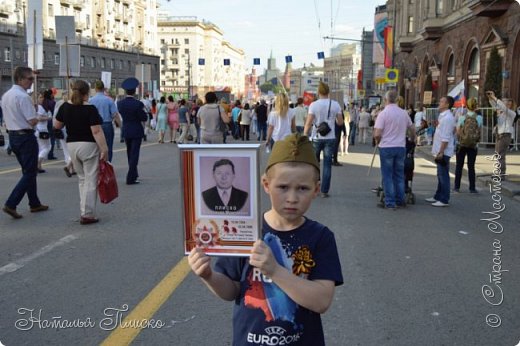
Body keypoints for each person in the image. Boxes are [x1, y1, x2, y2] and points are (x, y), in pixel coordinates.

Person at [188, 133, 343, 346]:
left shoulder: (320, 237)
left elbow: (322, 301)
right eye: (283, 187)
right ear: (266, 184)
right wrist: (208, 276)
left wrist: (275, 271)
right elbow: (232, 290)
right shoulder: (245, 230)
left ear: (316, 189)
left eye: (303, 189)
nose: (292, 198)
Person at [54, 80, 108, 225]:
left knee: (82, 179)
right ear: (87, 93)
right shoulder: (90, 109)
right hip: (88, 145)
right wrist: (104, 149)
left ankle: (84, 209)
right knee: (91, 179)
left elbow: (57, 125)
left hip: (72, 145)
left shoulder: (65, 106)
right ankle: (87, 214)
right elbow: (96, 131)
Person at [1, 67, 48, 219]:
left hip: (14, 136)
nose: (32, 81)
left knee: (28, 170)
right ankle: (11, 203)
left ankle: (34, 203)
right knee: (30, 172)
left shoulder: (6, 95)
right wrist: (40, 116)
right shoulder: (23, 96)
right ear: (20, 79)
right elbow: (32, 120)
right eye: (29, 79)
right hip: (25, 136)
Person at [374, 90, 416, 209]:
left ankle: (390, 202)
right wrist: (413, 138)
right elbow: (412, 128)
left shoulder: (383, 114)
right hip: (400, 147)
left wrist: (378, 140)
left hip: (386, 147)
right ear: (397, 99)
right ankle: (400, 199)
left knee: (387, 175)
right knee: (399, 174)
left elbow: (377, 133)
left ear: (386, 100)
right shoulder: (404, 113)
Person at [303, 81, 344, 198]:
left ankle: (315, 187)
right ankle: (324, 191)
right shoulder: (335, 104)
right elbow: (340, 122)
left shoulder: (313, 105)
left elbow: (309, 122)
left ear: (319, 92)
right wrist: (331, 121)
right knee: (327, 164)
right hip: (330, 137)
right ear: (328, 92)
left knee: (315, 164)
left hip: (316, 137)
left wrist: (305, 134)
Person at [425, 96, 456, 207]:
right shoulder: (443, 116)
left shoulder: (448, 118)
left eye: (442, 101)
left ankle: (444, 199)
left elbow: (446, 137)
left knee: (443, 175)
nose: (439, 103)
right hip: (440, 149)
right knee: (440, 174)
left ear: (447, 105)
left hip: (444, 151)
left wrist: (441, 151)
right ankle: (438, 196)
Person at [117, 77, 148, 185]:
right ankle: (131, 177)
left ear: (125, 91)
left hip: (126, 130)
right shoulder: (138, 104)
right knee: (135, 154)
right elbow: (144, 118)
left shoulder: (120, 103)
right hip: (136, 131)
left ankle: (134, 174)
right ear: (135, 91)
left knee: (129, 153)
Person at [453, 97, 482, 193]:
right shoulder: (479, 118)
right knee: (471, 166)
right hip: (473, 145)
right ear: (476, 106)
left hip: (461, 144)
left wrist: (462, 137)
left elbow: (457, 131)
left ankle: (457, 187)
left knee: (459, 166)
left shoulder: (462, 117)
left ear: (467, 106)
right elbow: (479, 130)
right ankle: (472, 188)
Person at [486, 91, 516, 177]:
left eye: (507, 102)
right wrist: (490, 98)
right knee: (498, 155)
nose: (505, 102)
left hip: (505, 135)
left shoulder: (511, 113)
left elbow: (502, 107)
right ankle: (500, 172)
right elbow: (495, 106)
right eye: (505, 101)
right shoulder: (502, 112)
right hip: (500, 135)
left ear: (510, 104)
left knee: (500, 155)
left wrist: (495, 98)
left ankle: (501, 174)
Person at [89, 80, 121, 162]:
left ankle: (98, 165)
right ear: (104, 89)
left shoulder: (90, 101)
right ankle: (107, 165)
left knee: (96, 146)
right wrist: (121, 125)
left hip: (94, 125)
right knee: (108, 146)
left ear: (95, 89)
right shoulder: (109, 100)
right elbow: (115, 114)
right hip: (107, 125)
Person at [53, 91, 75, 177]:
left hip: (61, 128)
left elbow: (55, 117)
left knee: (66, 149)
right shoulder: (69, 105)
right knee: (72, 149)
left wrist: (55, 128)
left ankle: (70, 167)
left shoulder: (59, 104)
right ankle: (70, 167)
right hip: (68, 129)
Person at [35, 91, 52, 173]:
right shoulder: (39, 107)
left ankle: (39, 166)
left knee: (40, 148)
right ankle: (38, 162)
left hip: (40, 129)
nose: (42, 99)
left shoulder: (42, 107)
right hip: (41, 130)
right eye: (40, 97)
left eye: (43, 97)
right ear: (37, 99)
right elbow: (39, 118)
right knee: (48, 147)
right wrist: (48, 118)